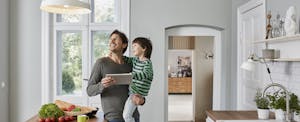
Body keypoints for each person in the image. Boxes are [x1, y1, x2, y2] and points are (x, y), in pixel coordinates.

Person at [86, 30, 145, 122]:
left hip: (133, 117)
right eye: (110, 40)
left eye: (115, 39)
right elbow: (89, 90)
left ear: (124, 45)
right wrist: (102, 85)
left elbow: (140, 87)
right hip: (113, 118)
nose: (111, 42)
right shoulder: (101, 63)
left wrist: (142, 100)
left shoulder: (131, 64)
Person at [122, 37, 153, 122]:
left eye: (135, 46)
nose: (133, 49)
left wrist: (133, 75)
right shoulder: (136, 60)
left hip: (137, 93)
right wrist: (120, 56)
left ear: (143, 48)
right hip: (133, 92)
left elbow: (147, 74)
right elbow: (127, 59)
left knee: (126, 116)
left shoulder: (147, 63)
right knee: (127, 115)